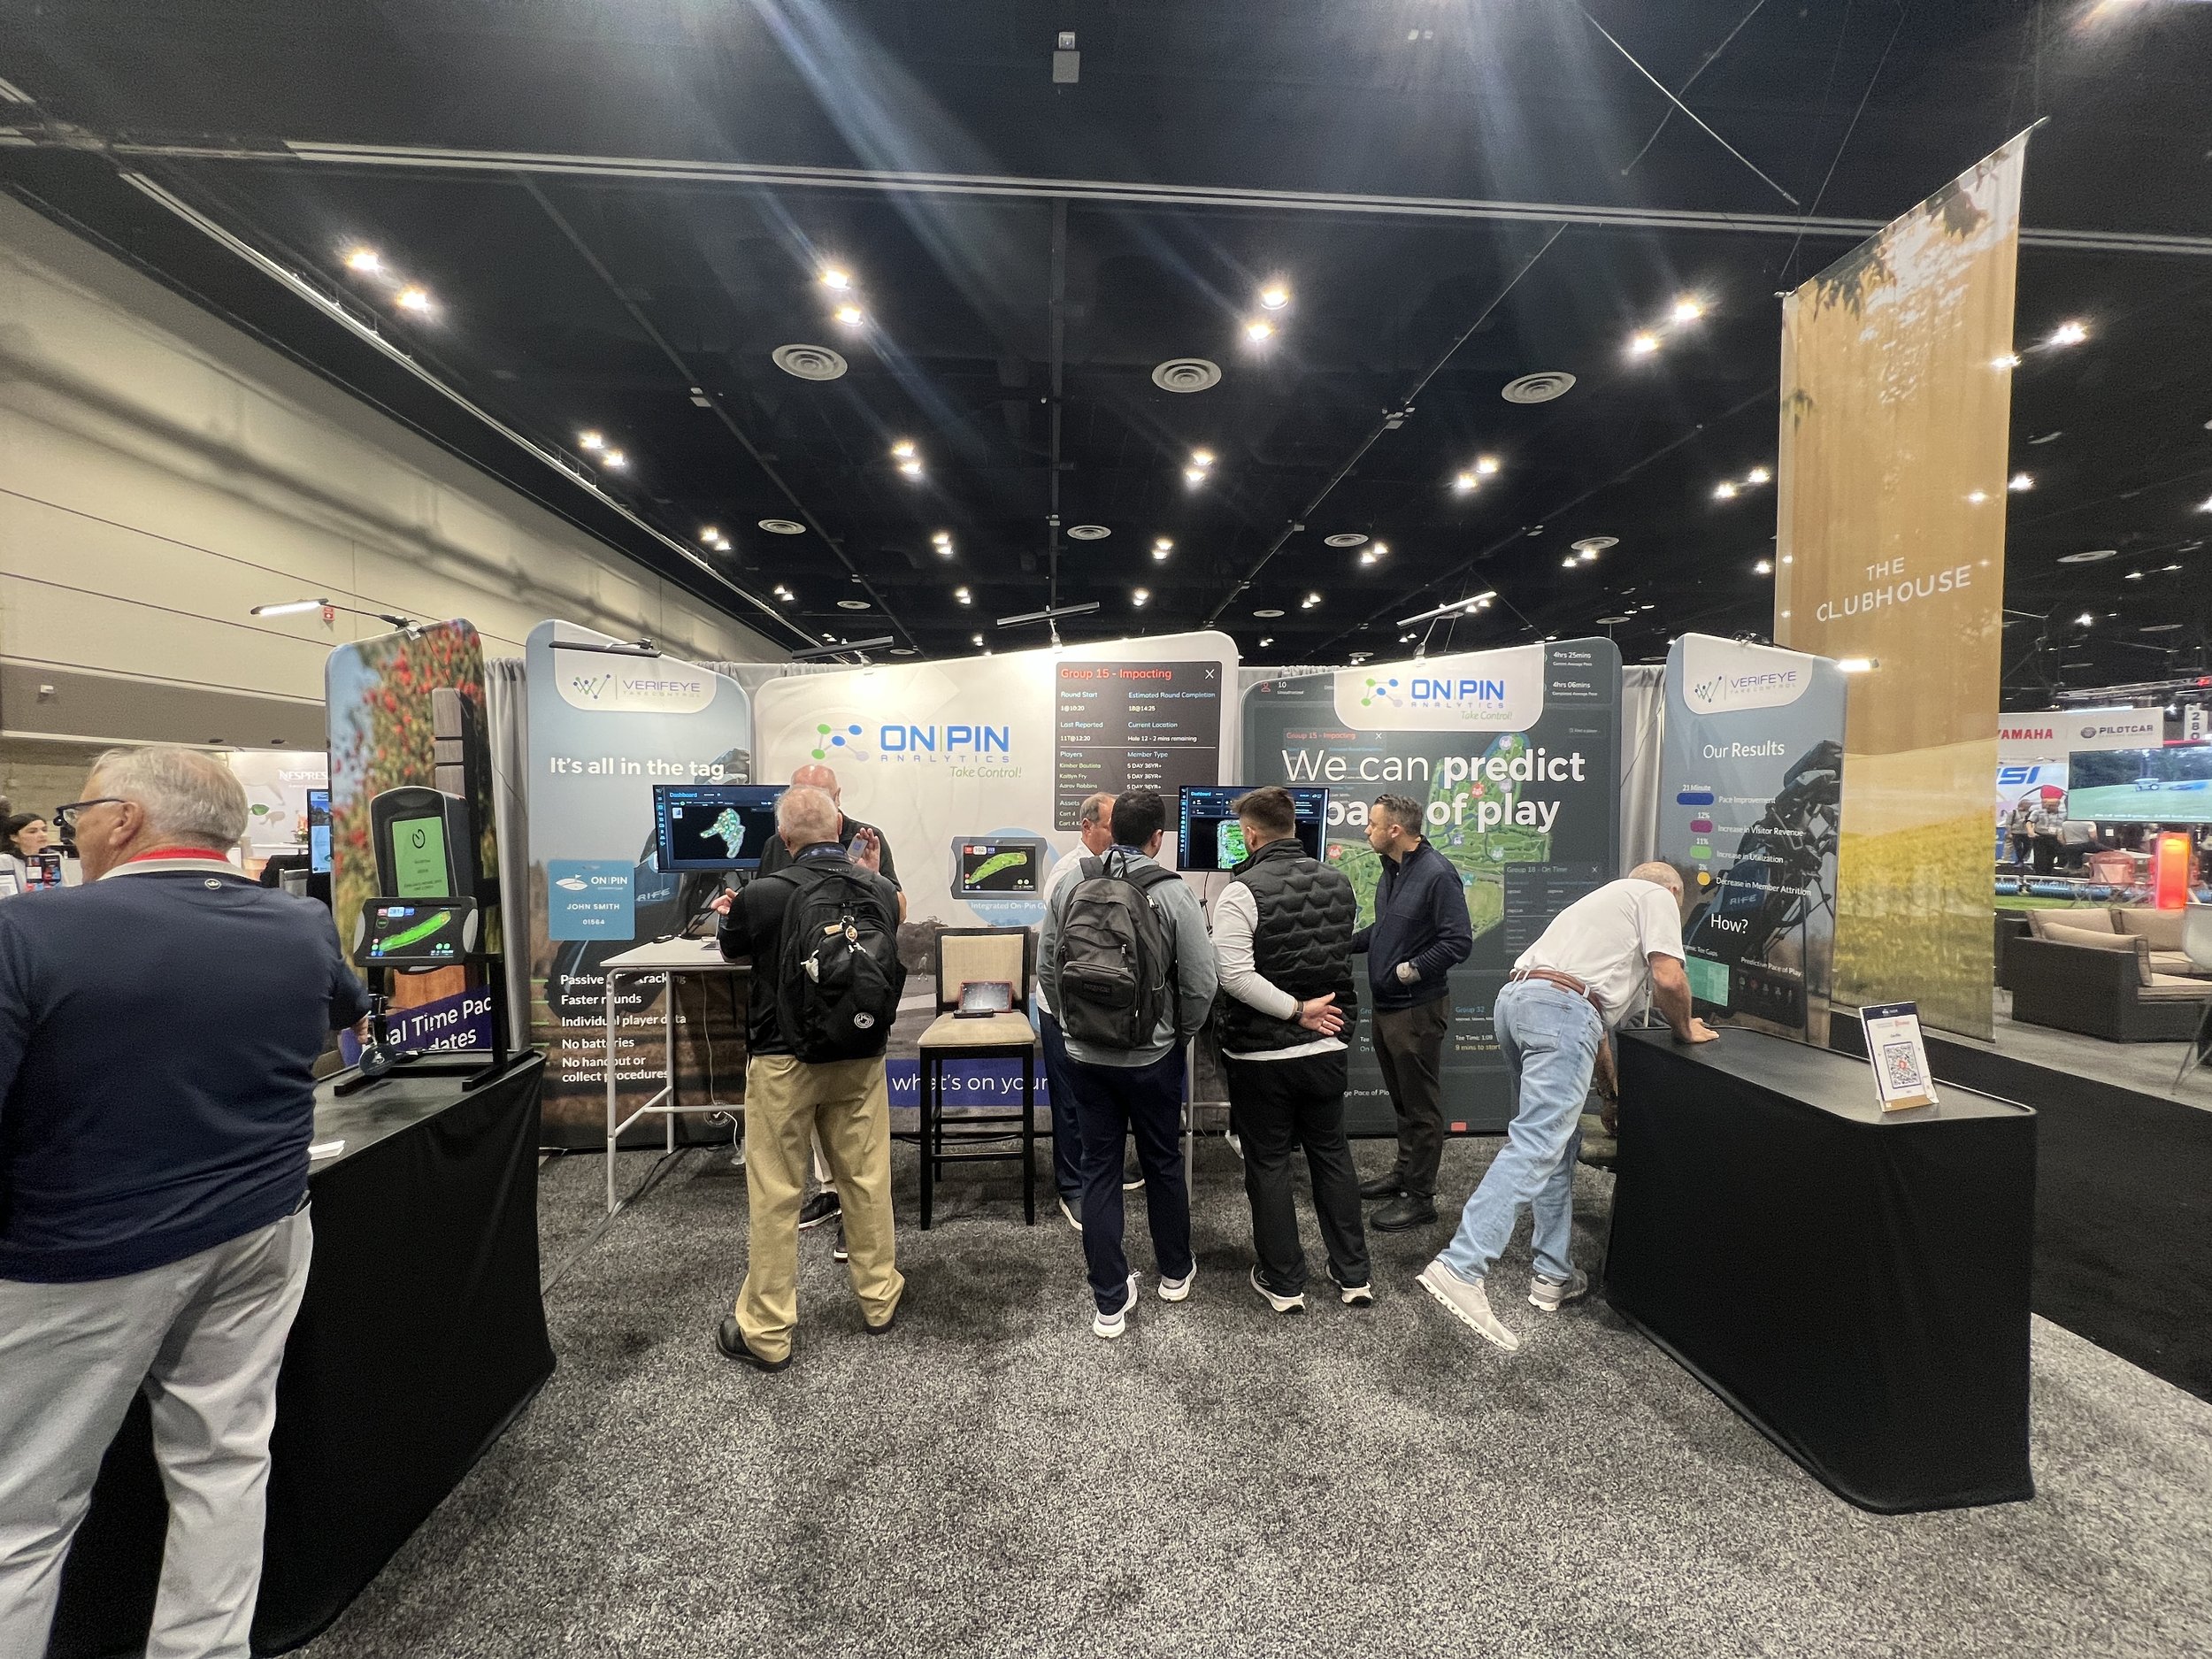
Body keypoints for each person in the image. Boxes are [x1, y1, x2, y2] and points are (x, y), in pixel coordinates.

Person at [0, 746, 369, 1656]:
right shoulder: (301, 925)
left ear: (124, 818)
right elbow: (341, 1014)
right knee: (225, 1462)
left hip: (77, 1252)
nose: (70, 826)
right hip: (262, 1226)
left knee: (21, 1516)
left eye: (78, 809)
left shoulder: (32, 933)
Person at [1417, 862, 1716, 1353]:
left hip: (1518, 1004)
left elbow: (1588, 1017)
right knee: (1538, 1143)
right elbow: (1668, 978)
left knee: (1555, 1145)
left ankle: (1552, 1274)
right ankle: (1461, 1265)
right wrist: (1687, 1029)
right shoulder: (1656, 896)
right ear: (1675, 893)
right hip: (1559, 1011)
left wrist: (1609, 1095)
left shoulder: (1599, 909)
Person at [710, 784, 904, 1371]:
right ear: (839, 826)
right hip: (860, 1054)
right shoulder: (876, 886)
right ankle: (880, 1299)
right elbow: (892, 930)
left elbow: (731, 949)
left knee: (775, 1194)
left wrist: (730, 912)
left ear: (785, 838)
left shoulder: (762, 893)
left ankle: (766, 1330)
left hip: (782, 1059)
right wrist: (868, 873)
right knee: (867, 1180)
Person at [1039, 789, 1217, 1339]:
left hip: (1085, 1054)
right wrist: (1177, 1033)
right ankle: (1175, 1272)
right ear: (1157, 837)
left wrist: (1074, 1028)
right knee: (1163, 1159)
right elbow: (1201, 982)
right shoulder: (1172, 891)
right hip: (1153, 1055)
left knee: (1099, 1168)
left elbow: (1047, 969)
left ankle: (1109, 1302)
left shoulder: (1072, 881)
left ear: (1111, 830)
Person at [1210, 787, 1371, 1314]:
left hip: (1263, 1055)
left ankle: (1285, 1284)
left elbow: (1232, 976)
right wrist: (1311, 1016)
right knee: (1332, 1155)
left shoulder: (1240, 891)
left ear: (1251, 835)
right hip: (1326, 1045)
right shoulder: (1340, 882)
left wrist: (1294, 1010)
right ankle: (1354, 1277)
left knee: (1270, 1163)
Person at [756, 763, 902, 1256]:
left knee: (853, 1162)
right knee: (841, 1162)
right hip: (792, 1023)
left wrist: (874, 878)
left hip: (845, 1016)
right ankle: (831, 1197)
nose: (813, 802)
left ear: (839, 804)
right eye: (803, 793)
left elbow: (894, 912)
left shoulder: (867, 838)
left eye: (822, 794)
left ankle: (768, 1325)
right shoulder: (774, 849)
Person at [1350, 794, 1474, 1232]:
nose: (1367, 831)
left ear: (1395, 831)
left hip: (1416, 1010)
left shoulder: (1437, 875)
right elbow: (1386, 929)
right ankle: (1406, 1173)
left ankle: (1421, 1197)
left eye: (1372, 824)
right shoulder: (1394, 871)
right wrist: (1345, 942)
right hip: (1387, 1010)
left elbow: (1458, 941)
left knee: (1421, 1106)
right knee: (1405, 1101)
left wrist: (1413, 968)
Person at [1036, 791, 1116, 1231]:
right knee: (1068, 1099)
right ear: (1088, 827)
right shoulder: (1067, 874)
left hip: (1098, 1005)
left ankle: (1095, 1172)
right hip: (1063, 1005)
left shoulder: (1117, 868)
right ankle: (1071, 1187)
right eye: (1110, 824)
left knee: (1096, 1096)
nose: (1116, 833)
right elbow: (1053, 950)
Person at [2, 812, 52, 886]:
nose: (42, 835)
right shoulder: (5, 860)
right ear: (14, 837)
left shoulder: (53, 856)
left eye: (44, 830)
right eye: (32, 832)